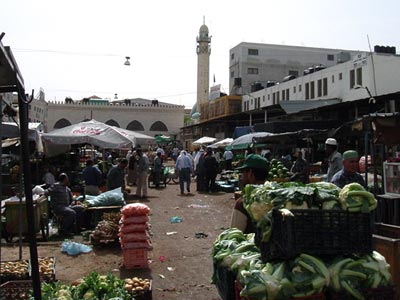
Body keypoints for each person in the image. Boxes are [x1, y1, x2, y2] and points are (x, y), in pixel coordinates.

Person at [230, 154, 269, 234]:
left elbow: (234, 235)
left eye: (244, 172)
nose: (242, 176)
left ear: (250, 173)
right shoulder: (274, 199)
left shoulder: (242, 203)